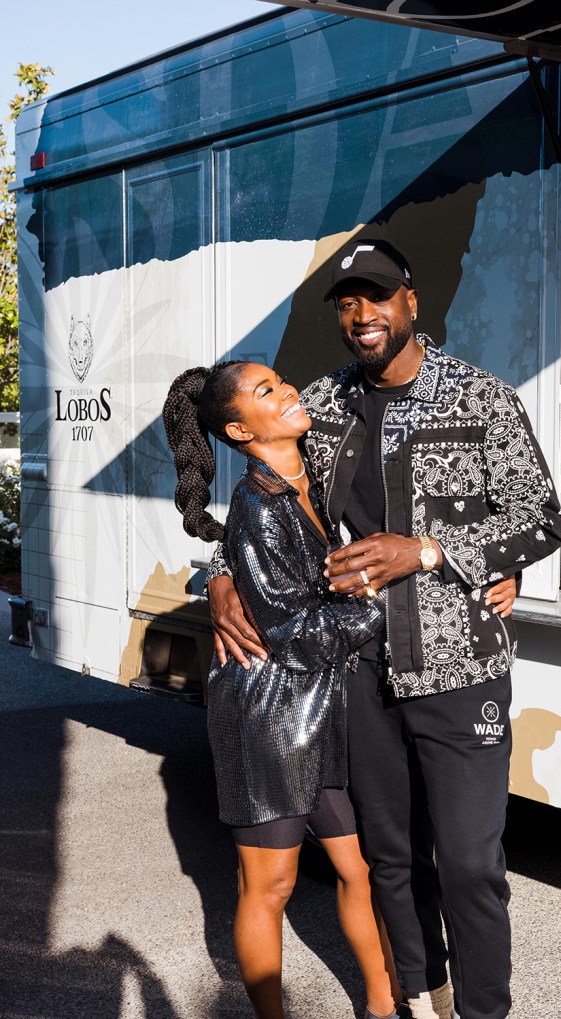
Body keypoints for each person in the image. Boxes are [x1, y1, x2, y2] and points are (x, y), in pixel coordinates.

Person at [207, 239, 561, 1019]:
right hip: (357, 675)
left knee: (469, 861)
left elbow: (541, 517)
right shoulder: (324, 405)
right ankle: (419, 993)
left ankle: (483, 1011)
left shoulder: (481, 399)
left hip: (459, 666)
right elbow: (259, 492)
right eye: (346, 301)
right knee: (390, 859)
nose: (361, 314)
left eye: (376, 296)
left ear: (411, 302)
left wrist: (437, 550)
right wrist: (220, 577)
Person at [162, 361, 408, 1019]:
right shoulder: (259, 505)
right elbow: (294, 630)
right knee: (271, 886)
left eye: (282, 380)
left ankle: (384, 1005)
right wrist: (377, 601)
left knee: (358, 869)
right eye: (266, 391)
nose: (289, 390)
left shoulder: (310, 473)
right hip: (269, 713)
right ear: (239, 428)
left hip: (320, 707)